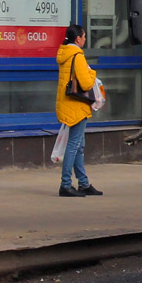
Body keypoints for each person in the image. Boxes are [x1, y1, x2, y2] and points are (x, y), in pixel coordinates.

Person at [56, 24, 103, 197]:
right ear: (78, 39)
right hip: (77, 106)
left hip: (68, 103)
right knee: (74, 145)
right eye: (84, 37)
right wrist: (92, 73)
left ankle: (83, 183)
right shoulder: (77, 56)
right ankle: (65, 184)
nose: (85, 39)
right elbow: (86, 83)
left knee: (78, 145)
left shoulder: (65, 54)